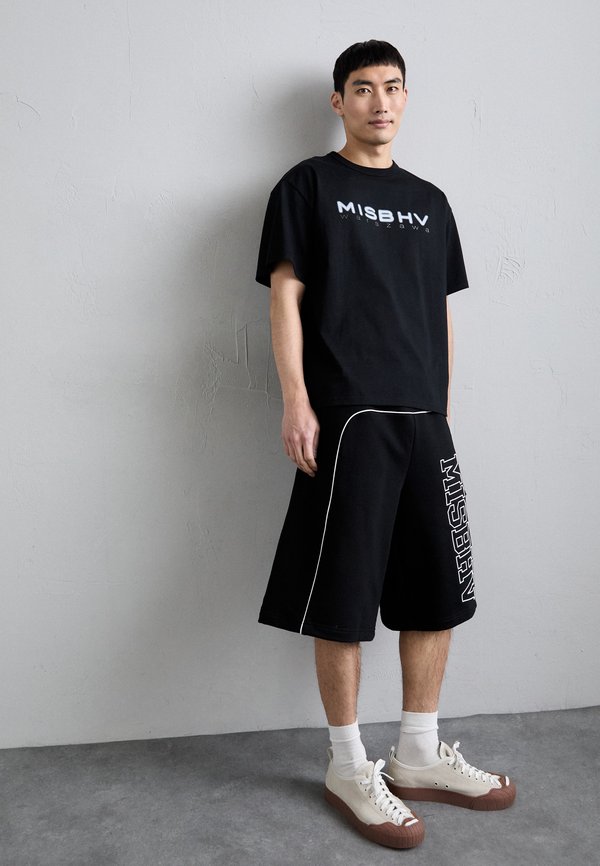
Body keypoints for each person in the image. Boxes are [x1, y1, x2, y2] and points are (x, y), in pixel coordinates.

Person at [255, 39, 516, 850]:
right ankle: (346, 763)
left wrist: (442, 404)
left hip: (423, 421)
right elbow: (286, 296)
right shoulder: (308, 186)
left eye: (393, 87)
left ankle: (417, 753)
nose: (380, 102)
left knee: (437, 588)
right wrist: (297, 401)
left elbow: (438, 307)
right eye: (363, 88)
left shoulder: (430, 201)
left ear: (407, 98)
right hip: (349, 415)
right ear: (339, 101)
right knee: (343, 593)